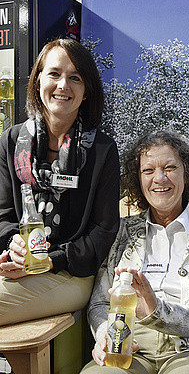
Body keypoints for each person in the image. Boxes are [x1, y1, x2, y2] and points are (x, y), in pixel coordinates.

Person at [80, 130, 189, 374]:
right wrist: (104, 333)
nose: (159, 178)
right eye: (148, 171)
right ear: (138, 179)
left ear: (186, 174)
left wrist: (158, 311)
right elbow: (101, 302)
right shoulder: (120, 232)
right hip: (127, 344)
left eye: (170, 168)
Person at [0, 38, 120, 325]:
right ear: (38, 80)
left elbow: (103, 231)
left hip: (71, 273)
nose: (63, 85)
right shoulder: (11, 142)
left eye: (75, 78)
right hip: (17, 266)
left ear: (86, 91)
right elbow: (3, 215)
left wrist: (50, 260)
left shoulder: (102, 150)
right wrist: (14, 247)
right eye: (54, 73)